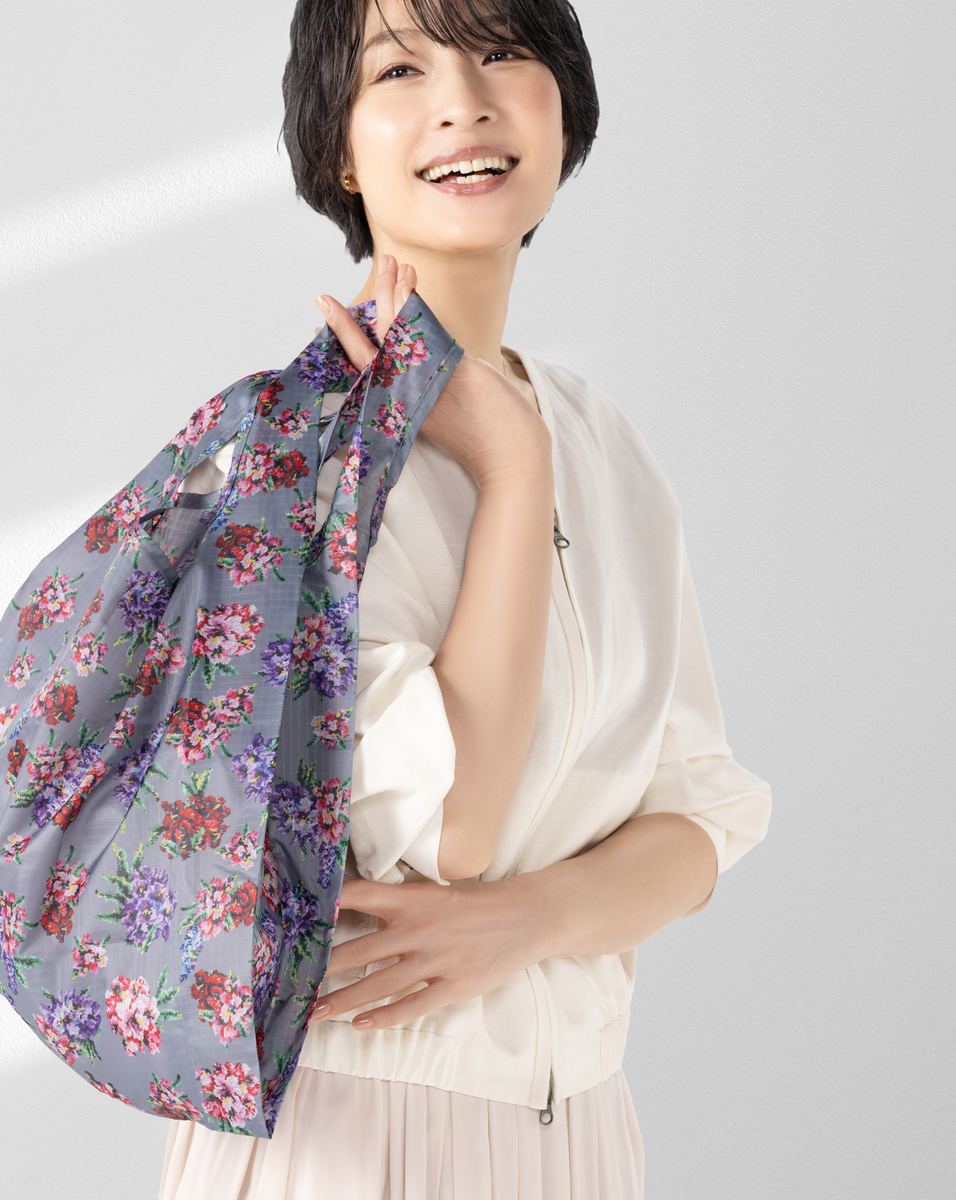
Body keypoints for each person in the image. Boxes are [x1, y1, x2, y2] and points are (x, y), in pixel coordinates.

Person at [159, 0, 772, 1195]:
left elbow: (703, 812)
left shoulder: (601, 437)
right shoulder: (299, 459)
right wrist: (510, 467)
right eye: (400, 69)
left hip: (579, 1133)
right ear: (339, 147)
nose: (464, 102)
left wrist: (538, 917)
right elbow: (454, 829)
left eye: (503, 51)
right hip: (352, 1129)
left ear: (563, 104)